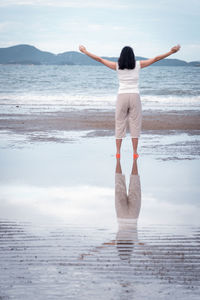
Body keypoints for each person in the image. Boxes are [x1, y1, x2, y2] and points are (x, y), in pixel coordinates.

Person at [79, 44, 181, 159]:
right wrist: (171, 52)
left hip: (122, 96)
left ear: (121, 56)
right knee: (135, 124)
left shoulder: (117, 66)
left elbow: (99, 59)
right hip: (134, 96)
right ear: (132, 56)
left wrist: (85, 51)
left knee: (119, 124)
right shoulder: (138, 65)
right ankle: (135, 152)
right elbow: (156, 59)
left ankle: (118, 152)